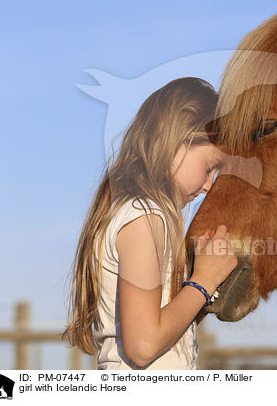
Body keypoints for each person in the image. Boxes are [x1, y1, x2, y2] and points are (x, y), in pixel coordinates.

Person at [62, 77, 237, 369]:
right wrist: (203, 282)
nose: (209, 186)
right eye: (210, 168)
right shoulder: (145, 218)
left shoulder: (139, 214)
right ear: (179, 141)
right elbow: (143, 345)